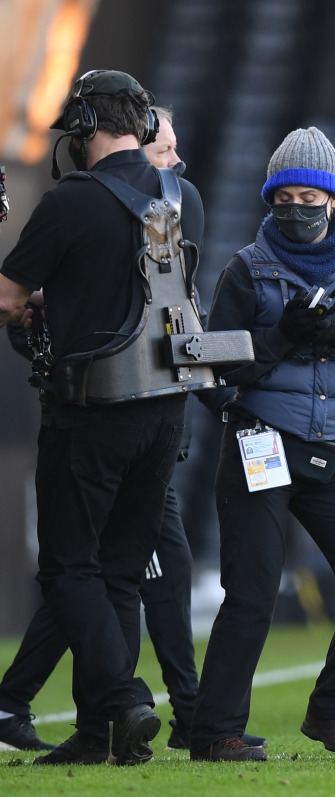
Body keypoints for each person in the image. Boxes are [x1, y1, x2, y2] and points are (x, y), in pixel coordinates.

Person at [0, 107, 265, 755]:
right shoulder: (187, 200)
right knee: (122, 572)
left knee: (68, 568)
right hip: (167, 407)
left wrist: (38, 301)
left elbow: (10, 300)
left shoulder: (71, 201)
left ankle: (121, 697)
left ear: (89, 127)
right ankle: (105, 735)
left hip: (94, 407)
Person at [188, 126, 335, 762]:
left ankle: (333, 713)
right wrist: (281, 336)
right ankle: (216, 731)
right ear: (269, 199)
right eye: (284, 196)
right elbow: (214, 369)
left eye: (311, 195)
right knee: (253, 590)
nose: (298, 206)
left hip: (333, 448)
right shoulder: (246, 267)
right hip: (260, 438)